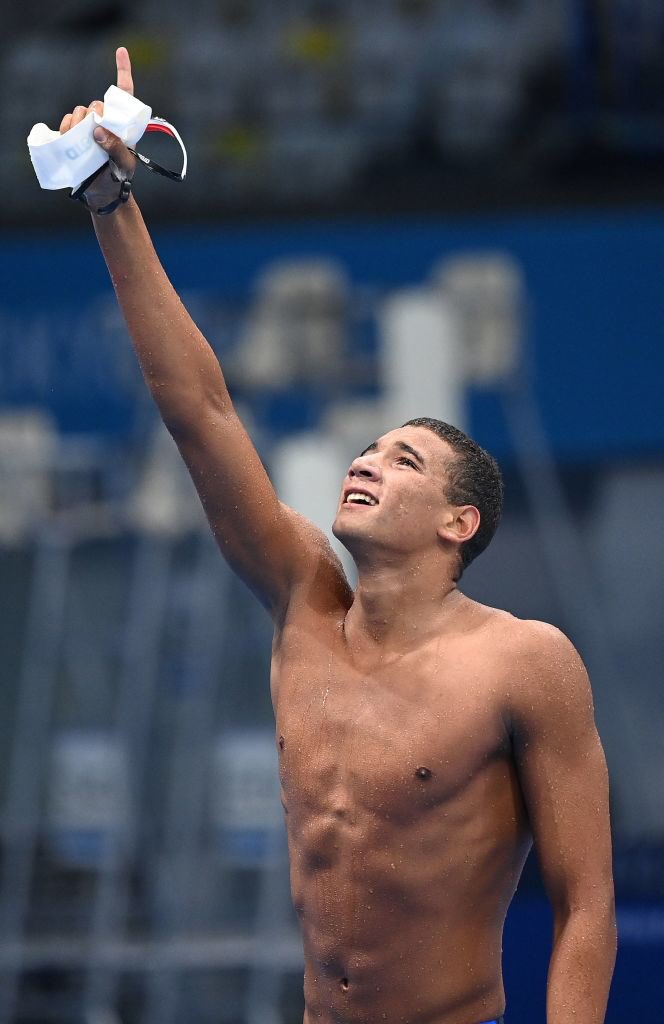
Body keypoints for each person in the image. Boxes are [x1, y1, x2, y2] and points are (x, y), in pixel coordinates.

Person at [58, 48, 616, 1024]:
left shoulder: (524, 663)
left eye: (402, 461)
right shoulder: (302, 596)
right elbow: (201, 410)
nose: (364, 463)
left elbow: (585, 905)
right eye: (366, 449)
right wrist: (111, 205)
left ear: (459, 521)